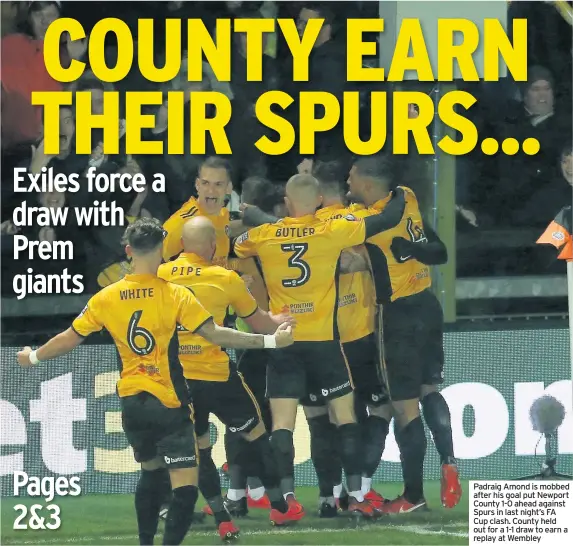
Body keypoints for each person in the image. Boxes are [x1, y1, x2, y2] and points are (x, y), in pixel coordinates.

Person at [17, 218, 294, 546]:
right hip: (171, 401)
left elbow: (67, 338)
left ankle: (147, 542)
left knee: (150, 473)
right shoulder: (174, 294)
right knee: (186, 490)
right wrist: (272, 341)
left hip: (133, 404)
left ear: (128, 251)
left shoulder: (106, 297)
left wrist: (33, 357)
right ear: (162, 248)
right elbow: (216, 333)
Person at [235, 173, 407, 518]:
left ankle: (286, 503)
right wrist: (400, 192)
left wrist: (261, 218)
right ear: (318, 202)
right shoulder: (332, 230)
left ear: (286, 203)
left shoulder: (264, 236)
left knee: (282, 425)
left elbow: (239, 242)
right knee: (345, 419)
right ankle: (357, 495)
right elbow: (387, 218)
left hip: (283, 341)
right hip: (325, 343)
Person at [158, 217, 302, 529]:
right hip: (218, 377)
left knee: (200, 447)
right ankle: (280, 507)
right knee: (257, 435)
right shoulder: (225, 278)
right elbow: (259, 324)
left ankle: (219, 514)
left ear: (182, 245)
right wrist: (278, 320)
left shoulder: (159, 276)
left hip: (178, 380)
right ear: (212, 246)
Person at [346, 155, 460, 514]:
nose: (348, 183)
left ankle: (413, 495)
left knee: (403, 407)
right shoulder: (407, 198)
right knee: (430, 390)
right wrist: (411, 249)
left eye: (351, 177)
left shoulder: (366, 223)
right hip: (427, 305)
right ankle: (449, 460)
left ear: (366, 184)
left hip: (396, 316)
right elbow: (439, 252)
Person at [303, 161, 391, 516]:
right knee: (378, 409)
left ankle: (328, 495)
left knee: (321, 418)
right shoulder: (358, 221)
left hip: (320, 338)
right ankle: (361, 489)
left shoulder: (302, 229)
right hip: (358, 337)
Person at [162, 156, 233, 265]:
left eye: (218, 184)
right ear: (197, 185)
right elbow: (149, 262)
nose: (211, 190)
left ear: (228, 188)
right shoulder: (182, 223)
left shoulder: (224, 215)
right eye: (205, 183)